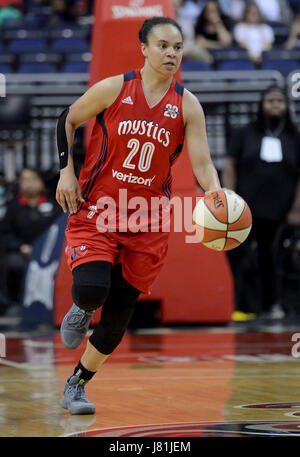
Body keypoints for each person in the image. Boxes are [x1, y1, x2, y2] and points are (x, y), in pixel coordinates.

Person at [56, 16, 222, 415]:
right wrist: (65, 170)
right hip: (99, 210)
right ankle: (81, 308)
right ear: (144, 48)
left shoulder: (188, 104)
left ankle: (76, 384)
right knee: (94, 289)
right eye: (163, 45)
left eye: (178, 47)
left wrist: (215, 193)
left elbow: (202, 163)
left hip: (148, 222)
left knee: (118, 317)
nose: (171, 53)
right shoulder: (115, 87)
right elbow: (68, 119)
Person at [222, 85, 300, 321]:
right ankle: (237, 305)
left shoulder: (294, 138)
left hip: (279, 210)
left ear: (286, 107)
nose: (274, 105)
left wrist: (297, 208)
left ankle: (272, 304)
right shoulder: (244, 133)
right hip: (244, 209)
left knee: (272, 257)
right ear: (261, 105)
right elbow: (229, 165)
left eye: (279, 101)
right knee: (239, 255)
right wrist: (229, 199)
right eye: (270, 101)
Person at [0, 168, 60, 312]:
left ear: (41, 182)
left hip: (51, 254)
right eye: (24, 180)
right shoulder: (14, 207)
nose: (29, 184)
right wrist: (21, 246)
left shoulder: (54, 205)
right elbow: (5, 234)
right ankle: (15, 304)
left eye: (32, 179)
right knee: (13, 263)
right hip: (23, 252)